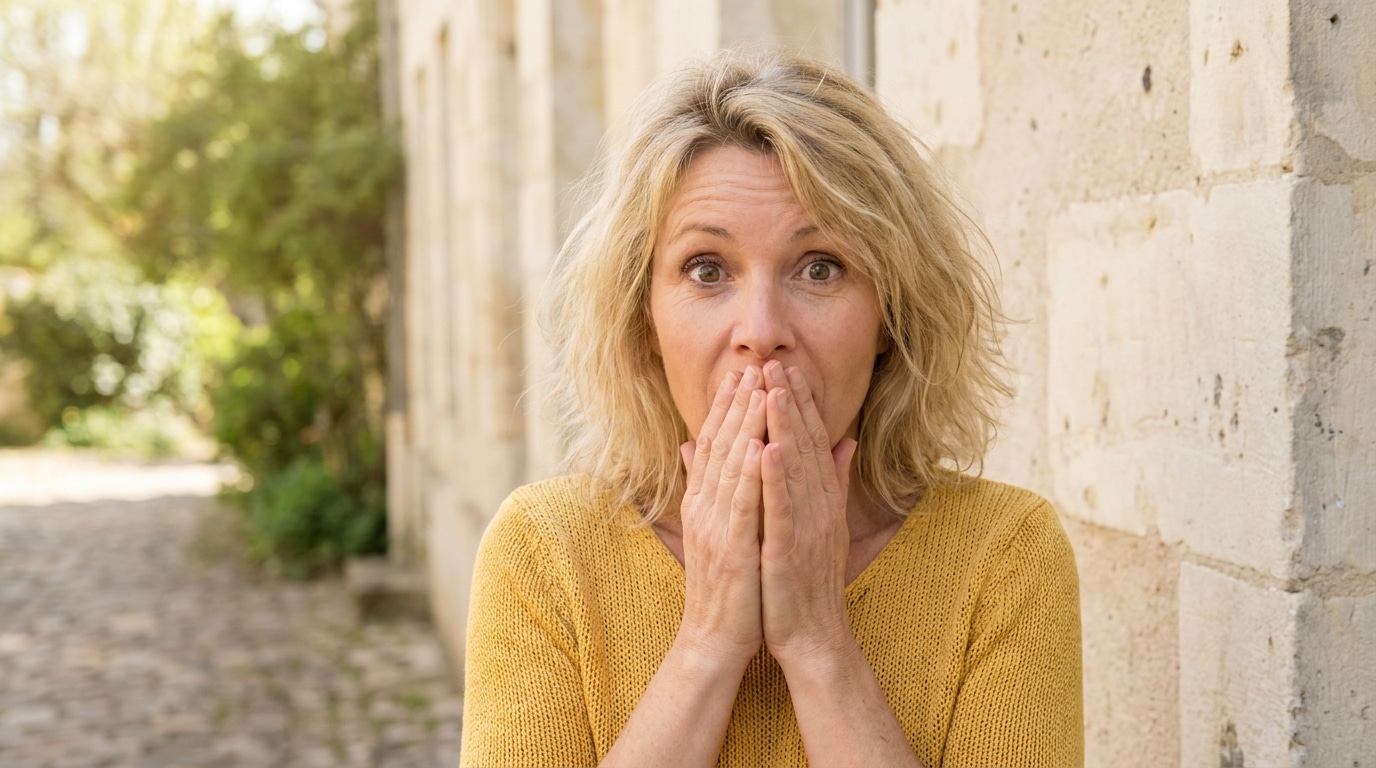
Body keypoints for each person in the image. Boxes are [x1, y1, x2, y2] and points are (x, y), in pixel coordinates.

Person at [459, 48, 1082, 768]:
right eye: (707, 270)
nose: (761, 330)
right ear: (643, 319)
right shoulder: (545, 552)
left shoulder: (1006, 554)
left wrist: (818, 641)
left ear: (892, 316)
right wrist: (708, 641)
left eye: (820, 268)